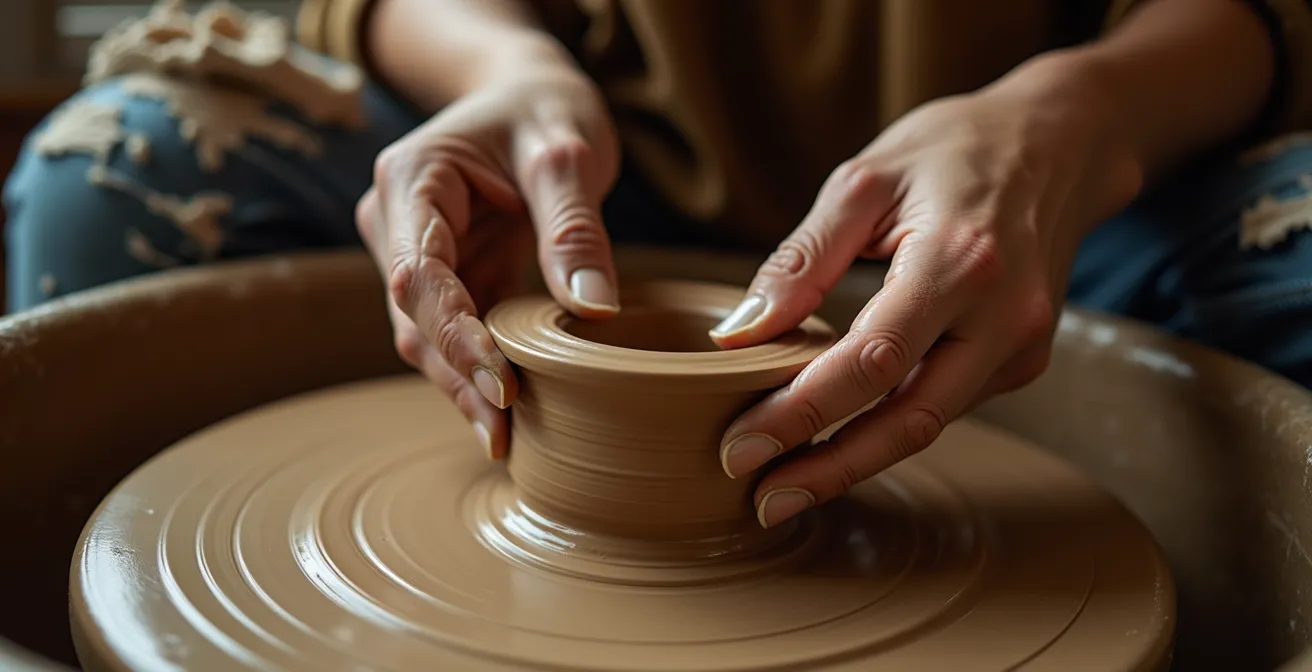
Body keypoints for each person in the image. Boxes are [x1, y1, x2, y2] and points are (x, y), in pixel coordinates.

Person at [5, 0, 1311, 528]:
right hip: (578, 160)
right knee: (111, 180)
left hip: (1037, 197)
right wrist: (508, 68)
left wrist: (1076, 116)